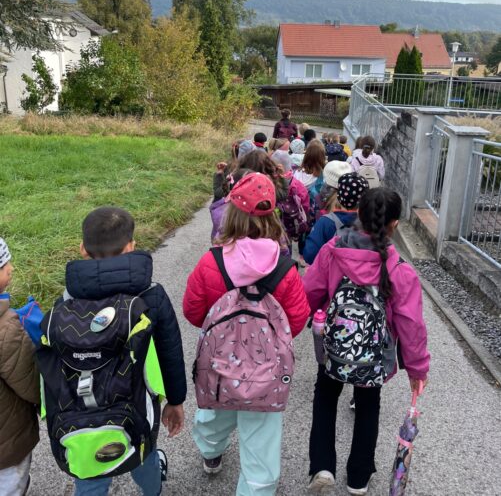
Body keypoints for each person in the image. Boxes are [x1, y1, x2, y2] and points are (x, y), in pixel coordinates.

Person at [40, 207, 187, 496]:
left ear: (82, 249)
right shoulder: (151, 295)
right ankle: (153, 490)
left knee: (89, 470)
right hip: (136, 402)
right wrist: (176, 400)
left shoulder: (66, 301)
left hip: (80, 410)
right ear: (131, 246)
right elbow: (170, 350)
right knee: (144, 454)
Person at [183, 173, 310, 495]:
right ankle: (256, 488)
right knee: (262, 436)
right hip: (266, 370)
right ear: (272, 216)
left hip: (219, 364)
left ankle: (211, 451)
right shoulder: (284, 269)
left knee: (214, 412)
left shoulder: (211, 262)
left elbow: (193, 311)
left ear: (232, 214)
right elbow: (296, 319)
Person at [303, 188, 430, 495]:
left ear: (358, 213)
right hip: (374, 355)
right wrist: (417, 369)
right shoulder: (398, 269)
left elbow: (309, 291)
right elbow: (411, 325)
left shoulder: (333, 250)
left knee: (325, 397)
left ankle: (322, 466)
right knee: (368, 405)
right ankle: (358, 477)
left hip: (334, 347)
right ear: (395, 224)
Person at [0, 238, 40, 496]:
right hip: (7, 443)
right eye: (4, 265)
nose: (11, 268)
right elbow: (30, 384)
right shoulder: (6, 329)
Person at [304, 171, 368, 265]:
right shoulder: (369, 221)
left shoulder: (325, 222)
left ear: (339, 195)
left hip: (332, 271)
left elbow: (309, 255)